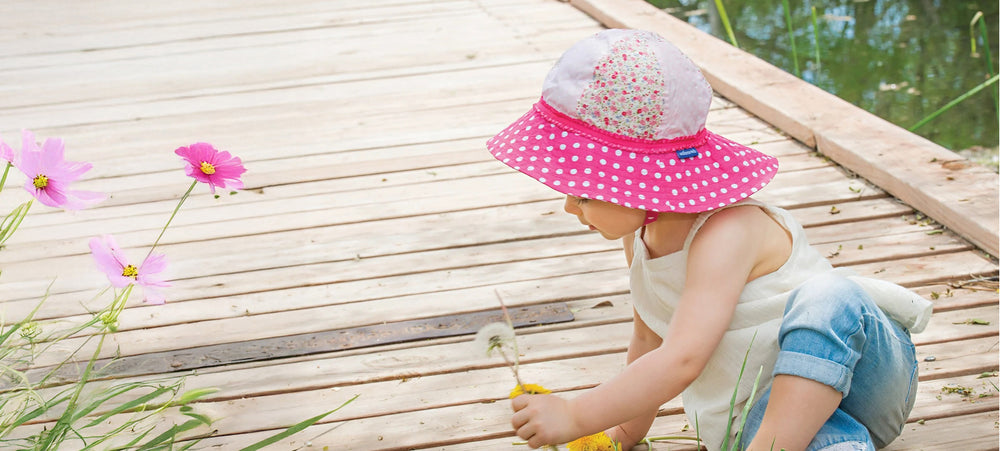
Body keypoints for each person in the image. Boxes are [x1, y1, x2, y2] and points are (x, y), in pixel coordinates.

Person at [485, 29, 931, 451]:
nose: (569, 206)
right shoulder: (642, 236)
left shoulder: (727, 230)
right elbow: (650, 339)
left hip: (867, 377)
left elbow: (682, 358)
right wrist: (621, 430)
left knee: (830, 295)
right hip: (773, 419)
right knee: (794, 436)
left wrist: (578, 414)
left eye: (582, 192)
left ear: (640, 183)